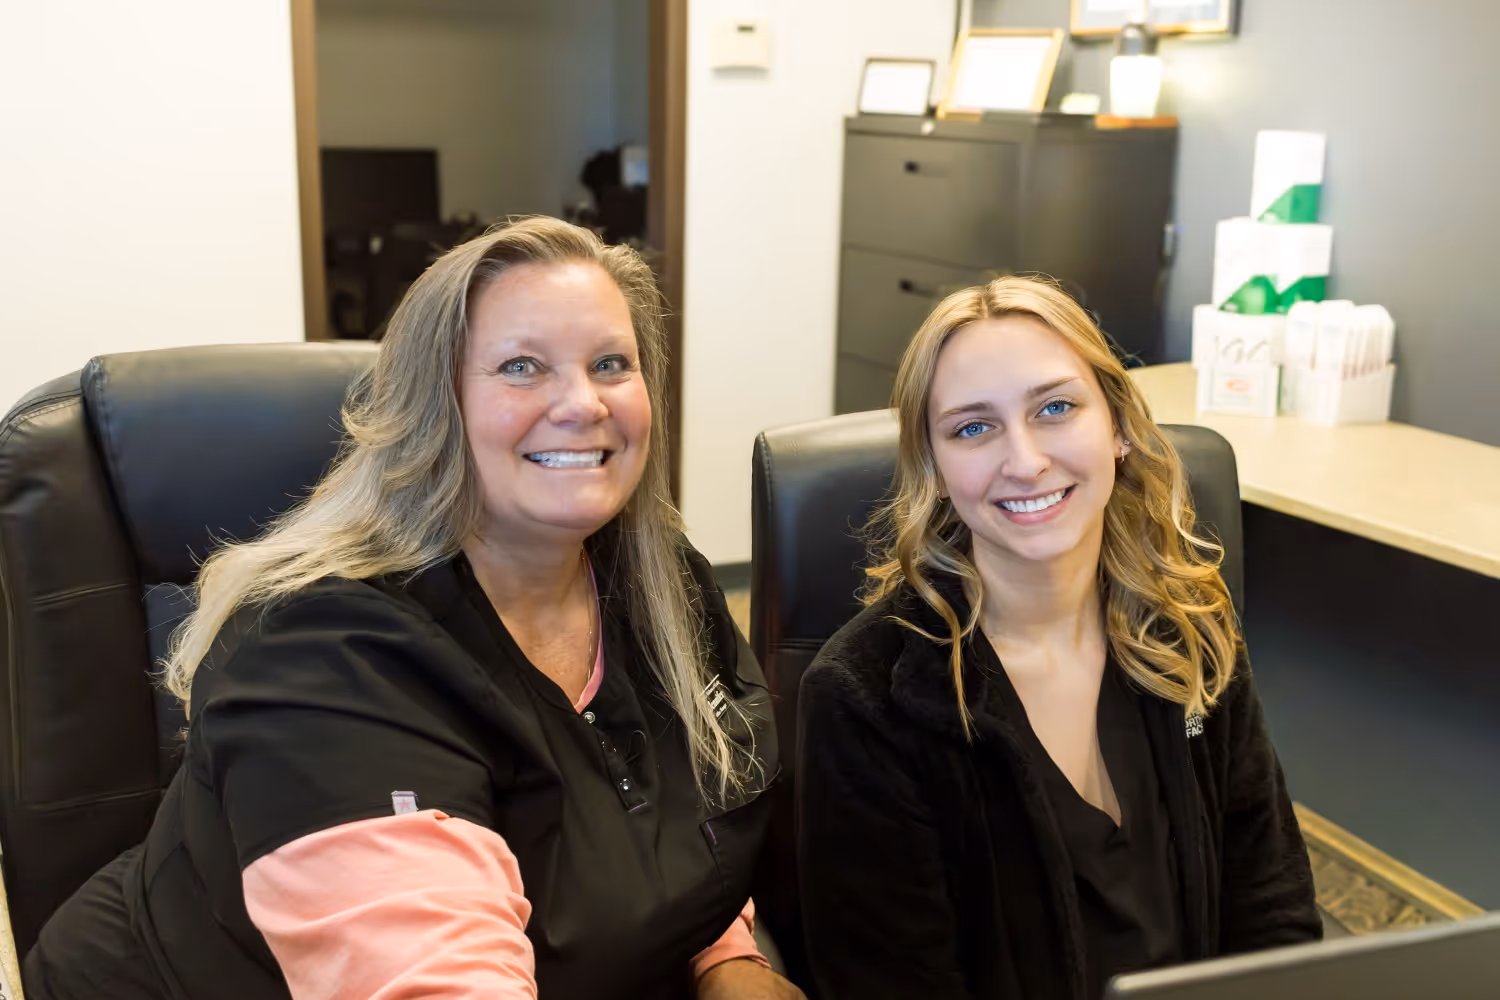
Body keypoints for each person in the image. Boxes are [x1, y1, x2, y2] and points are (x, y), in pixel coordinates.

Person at [27, 217, 802, 1000]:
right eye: (523, 366)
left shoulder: (662, 586)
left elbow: (674, 797)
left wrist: (727, 956)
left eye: (610, 363)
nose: (583, 403)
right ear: (435, 408)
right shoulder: (325, 661)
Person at [796, 276, 1320, 1000]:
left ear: (1119, 427)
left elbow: (1274, 911)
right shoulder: (866, 698)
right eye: (973, 428)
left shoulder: (1188, 627)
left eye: (1056, 408)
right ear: (937, 470)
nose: (1026, 460)